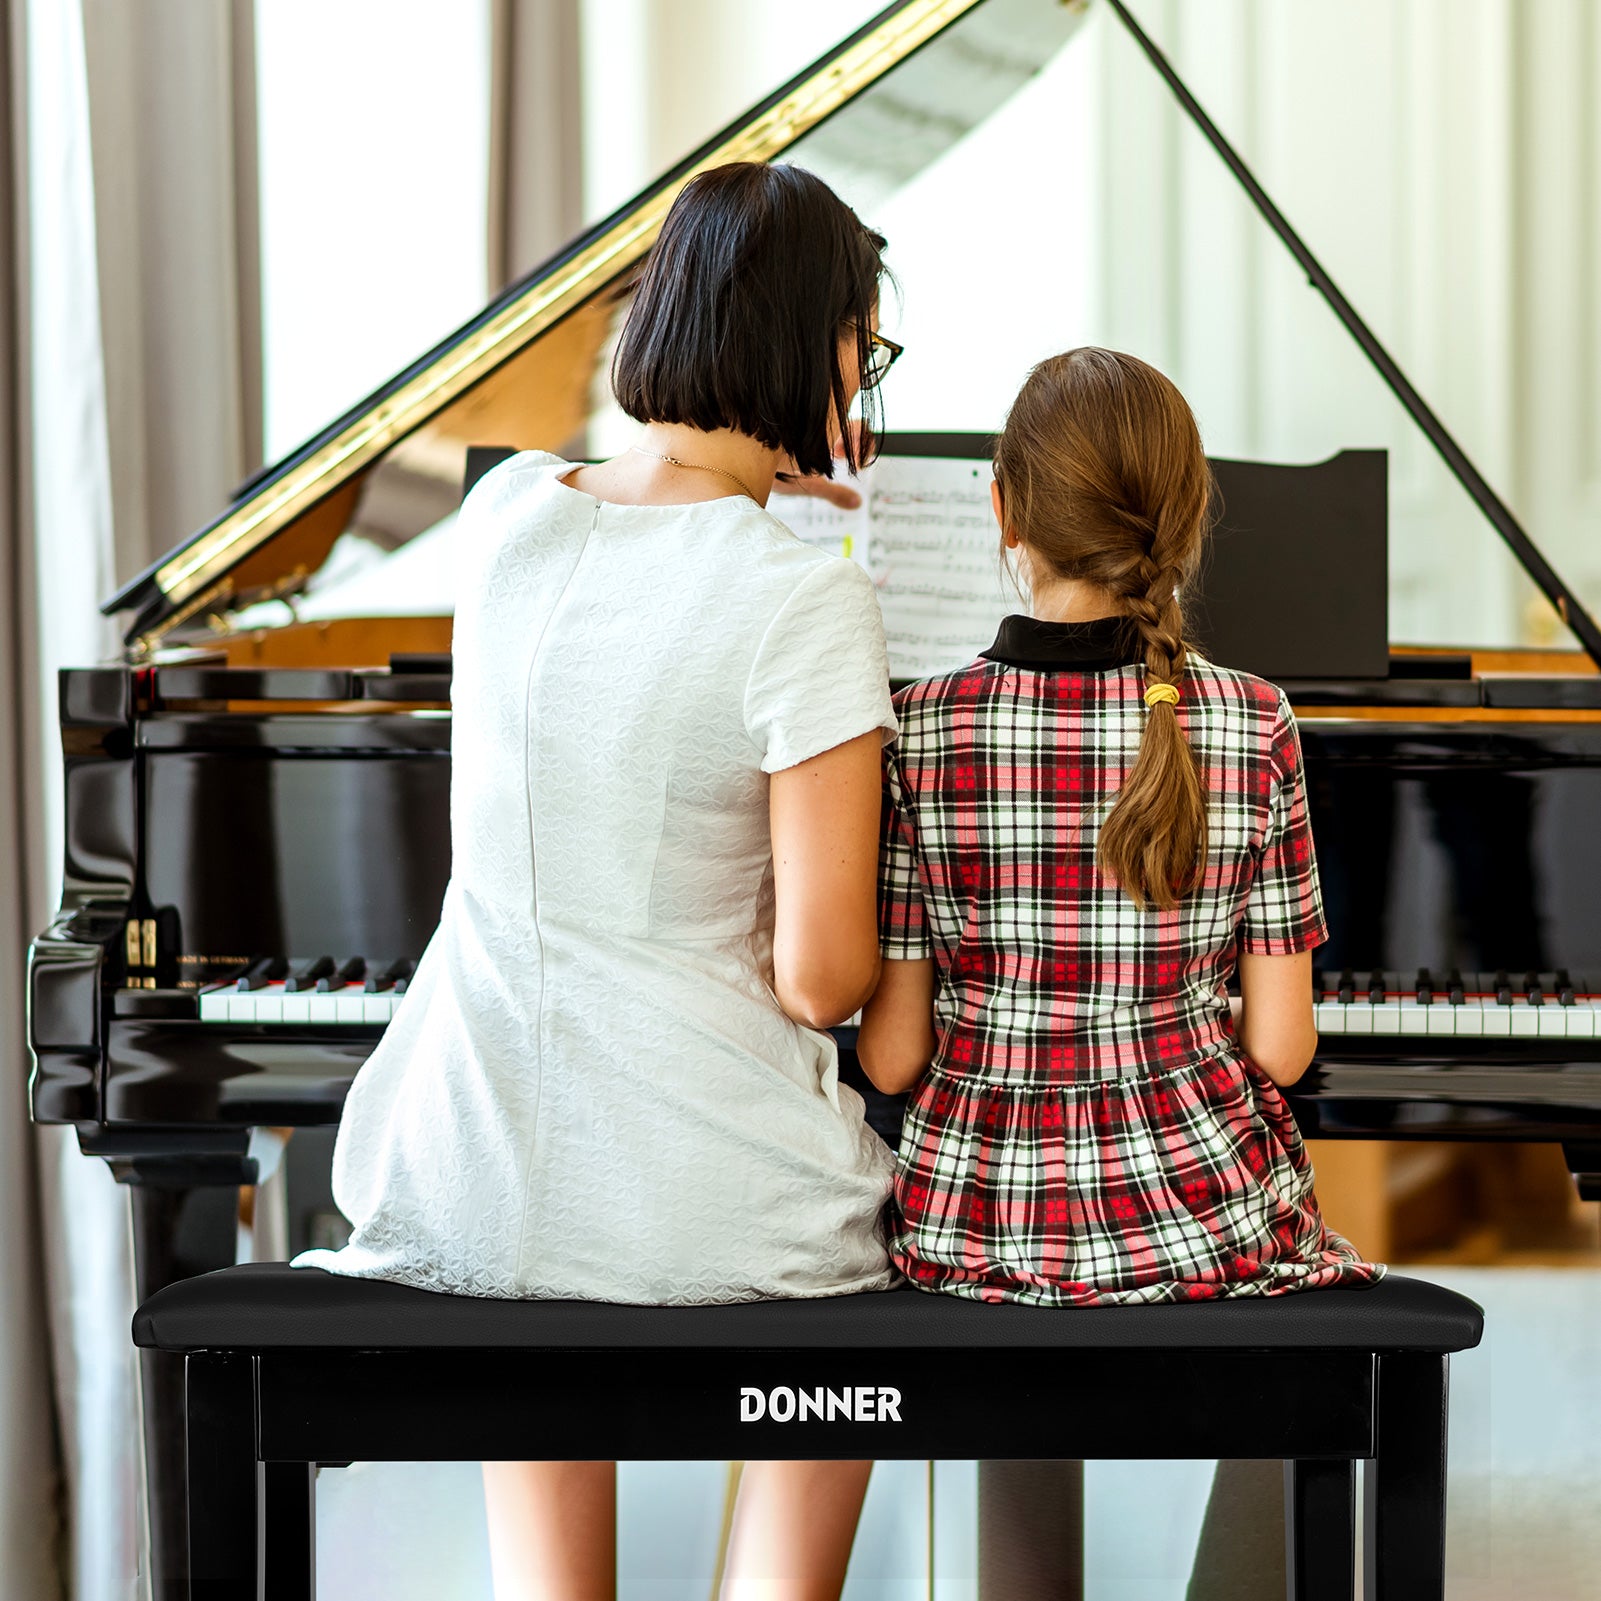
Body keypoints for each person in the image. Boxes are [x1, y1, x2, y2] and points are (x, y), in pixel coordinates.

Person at [296, 161, 903, 1601]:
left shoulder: (507, 517)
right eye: (862, 346)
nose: (864, 379)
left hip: (464, 1160)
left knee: (545, 1240)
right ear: (811, 343)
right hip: (690, 1183)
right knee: (870, 1249)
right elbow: (825, 978)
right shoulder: (803, 592)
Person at [857, 345, 1378, 1308]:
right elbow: (1280, 1048)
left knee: (1019, 1344)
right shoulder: (1252, 719)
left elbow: (891, 1056)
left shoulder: (919, 726)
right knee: (1290, 1285)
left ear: (1002, 510)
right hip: (1199, 1215)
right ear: (1185, 520)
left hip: (974, 1221)